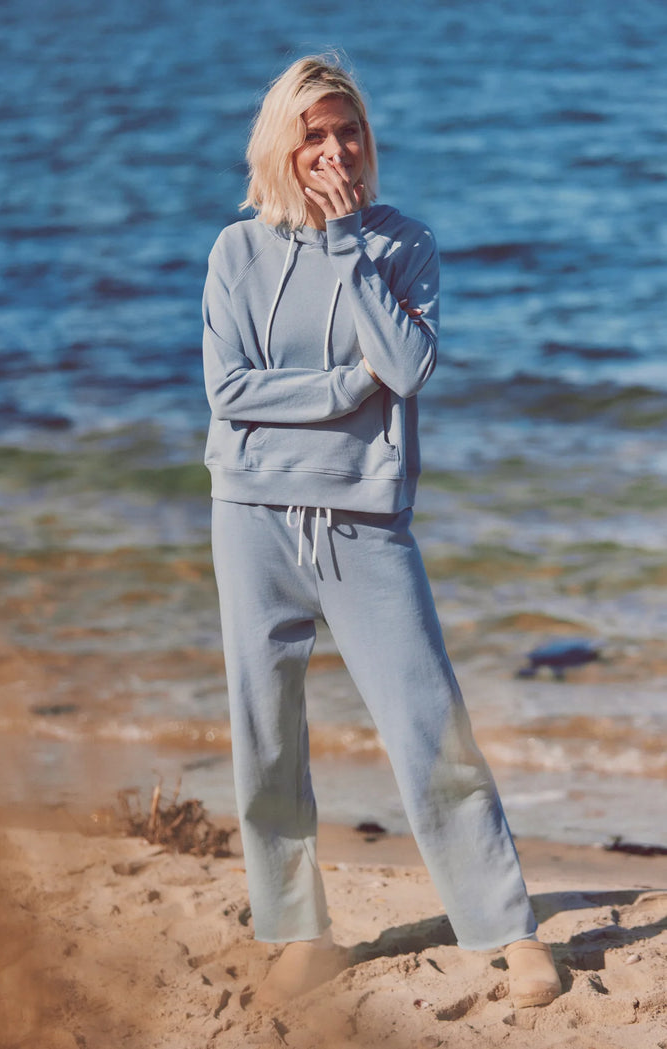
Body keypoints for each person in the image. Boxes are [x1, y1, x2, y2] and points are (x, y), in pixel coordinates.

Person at [202, 54, 561, 1011]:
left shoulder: (404, 247)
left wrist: (349, 241)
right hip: (250, 514)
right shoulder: (234, 254)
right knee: (265, 732)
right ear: (281, 142)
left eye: (347, 130)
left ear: (368, 140)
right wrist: (336, 391)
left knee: (429, 724)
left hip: (365, 518)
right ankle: (296, 931)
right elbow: (226, 391)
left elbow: (403, 368)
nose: (332, 148)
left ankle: (506, 928)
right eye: (313, 132)